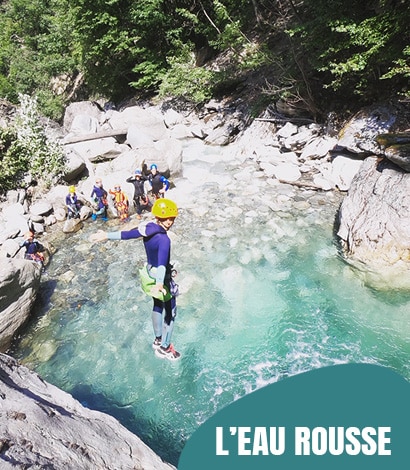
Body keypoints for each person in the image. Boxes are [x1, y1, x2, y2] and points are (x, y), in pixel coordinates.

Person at [89, 198, 181, 361]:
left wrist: (106, 235)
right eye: (169, 218)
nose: (171, 222)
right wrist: (160, 283)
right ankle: (165, 348)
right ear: (162, 218)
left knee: (157, 305)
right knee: (171, 312)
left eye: (172, 218)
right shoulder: (164, 239)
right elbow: (162, 264)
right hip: (160, 278)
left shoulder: (147, 228)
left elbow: (127, 234)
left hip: (148, 272)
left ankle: (157, 339)